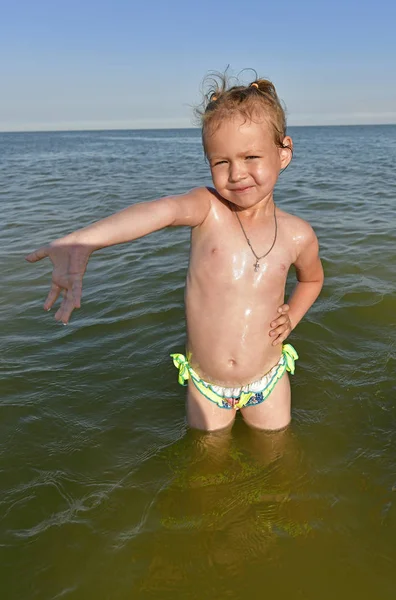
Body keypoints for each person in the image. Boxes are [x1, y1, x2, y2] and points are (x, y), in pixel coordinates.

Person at [26, 74, 324, 432]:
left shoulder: (298, 234)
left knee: (275, 456)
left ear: (283, 153)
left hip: (268, 379)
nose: (237, 173)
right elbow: (158, 212)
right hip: (207, 385)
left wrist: (292, 314)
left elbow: (313, 278)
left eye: (251, 156)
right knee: (206, 466)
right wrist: (83, 240)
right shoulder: (207, 210)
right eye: (221, 162)